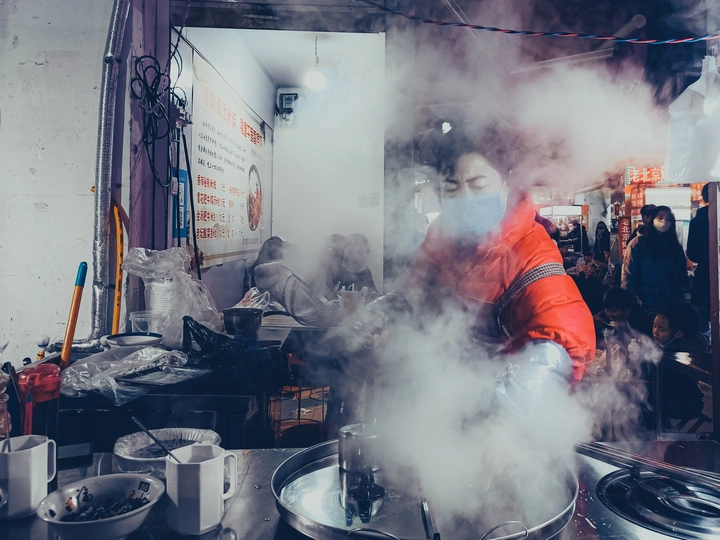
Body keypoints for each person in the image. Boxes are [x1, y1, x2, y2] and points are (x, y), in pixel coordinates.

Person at [380, 125, 595, 392]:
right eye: (451, 187)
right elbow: (412, 289)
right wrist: (379, 314)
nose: (464, 197)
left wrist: (524, 392)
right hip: (436, 391)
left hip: (494, 401)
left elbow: (562, 328)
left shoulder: (531, 252)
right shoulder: (440, 237)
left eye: (478, 185)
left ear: (507, 185)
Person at [621, 206, 688, 317]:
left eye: (668, 219)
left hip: (672, 306)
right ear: (652, 219)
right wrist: (630, 305)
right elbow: (628, 277)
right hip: (646, 306)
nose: (664, 222)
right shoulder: (638, 245)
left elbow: (682, 275)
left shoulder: (675, 246)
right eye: (660, 218)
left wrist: (684, 295)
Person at [652, 307, 706, 421]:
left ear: (678, 334)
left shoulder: (675, 354)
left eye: (661, 329)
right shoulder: (674, 347)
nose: (655, 332)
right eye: (654, 326)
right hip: (690, 400)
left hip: (684, 404)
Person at [686, 183, 710, 334]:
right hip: (706, 281)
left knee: (703, 329)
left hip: (704, 280)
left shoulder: (697, 221)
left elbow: (692, 254)